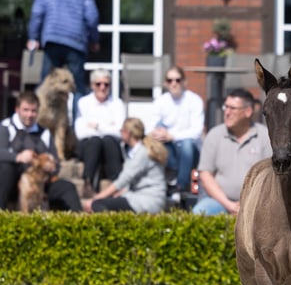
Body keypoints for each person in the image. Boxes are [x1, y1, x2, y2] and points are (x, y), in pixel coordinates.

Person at [26, 0, 100, 117]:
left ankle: (42, 125)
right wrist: (94, 40)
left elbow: (37, 14)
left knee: (47, 85)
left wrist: (33, 38)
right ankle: (77, 127)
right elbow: (92, 18)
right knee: (78, 88)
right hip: (76, 42)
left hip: (52, 41)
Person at [192, 88, 272, 215]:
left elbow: (271, 177)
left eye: (232, 108)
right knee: (199, 213)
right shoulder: (215, 135)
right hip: (219, 202)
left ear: (248, 112)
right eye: (226, 107)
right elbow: (205, 174)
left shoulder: (265, 136)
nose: (227, 112)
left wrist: (249, 204)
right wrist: (229, 205)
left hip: (258, 203)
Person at [0, 91, 82, 211]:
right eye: (25, 110)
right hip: (13, 182)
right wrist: (18, 157)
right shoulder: (6, 127)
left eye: (33, 111)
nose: (29, 115)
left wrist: (48, 168)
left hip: (40, 182)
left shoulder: (44, 132)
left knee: (68, 187)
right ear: (17, 110)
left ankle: (78, 223)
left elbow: (56, 163)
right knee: (5, 168)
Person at [83, 117, 168, 214]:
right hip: (140, 197)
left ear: (128, 133)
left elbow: (123, 180)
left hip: (146, 200)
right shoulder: (136, 151)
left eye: (121, 130)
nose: (120, 133)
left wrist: (96, 198)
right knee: (111, 200)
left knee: (97, 204)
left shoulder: (142, 153)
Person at [148, 66, 204, 196]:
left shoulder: (194, 100)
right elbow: (149, 127)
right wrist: (157, 133)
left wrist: (172, 136)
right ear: (165, 83)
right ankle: (163, 182)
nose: (173, 83)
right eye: (170, 80)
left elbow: (197, 131)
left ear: (184, 82)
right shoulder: (161, 101)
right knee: (157, 130)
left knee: (187, 144)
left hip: (190, 150)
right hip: (169, 147)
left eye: (177, 80)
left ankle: (181, 185)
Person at [74, 68, 124, 198]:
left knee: (108, 140)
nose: (102, 87)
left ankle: (116, 183)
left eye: (106, 84)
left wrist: (97, 126)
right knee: (95, 141)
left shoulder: (117, 104)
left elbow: (120, 132)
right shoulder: (83, 102)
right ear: (92, 85)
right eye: (98, 84)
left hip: (110, 146)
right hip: (89, 146)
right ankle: (88, 182)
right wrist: (108, 127)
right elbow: (80, 132)